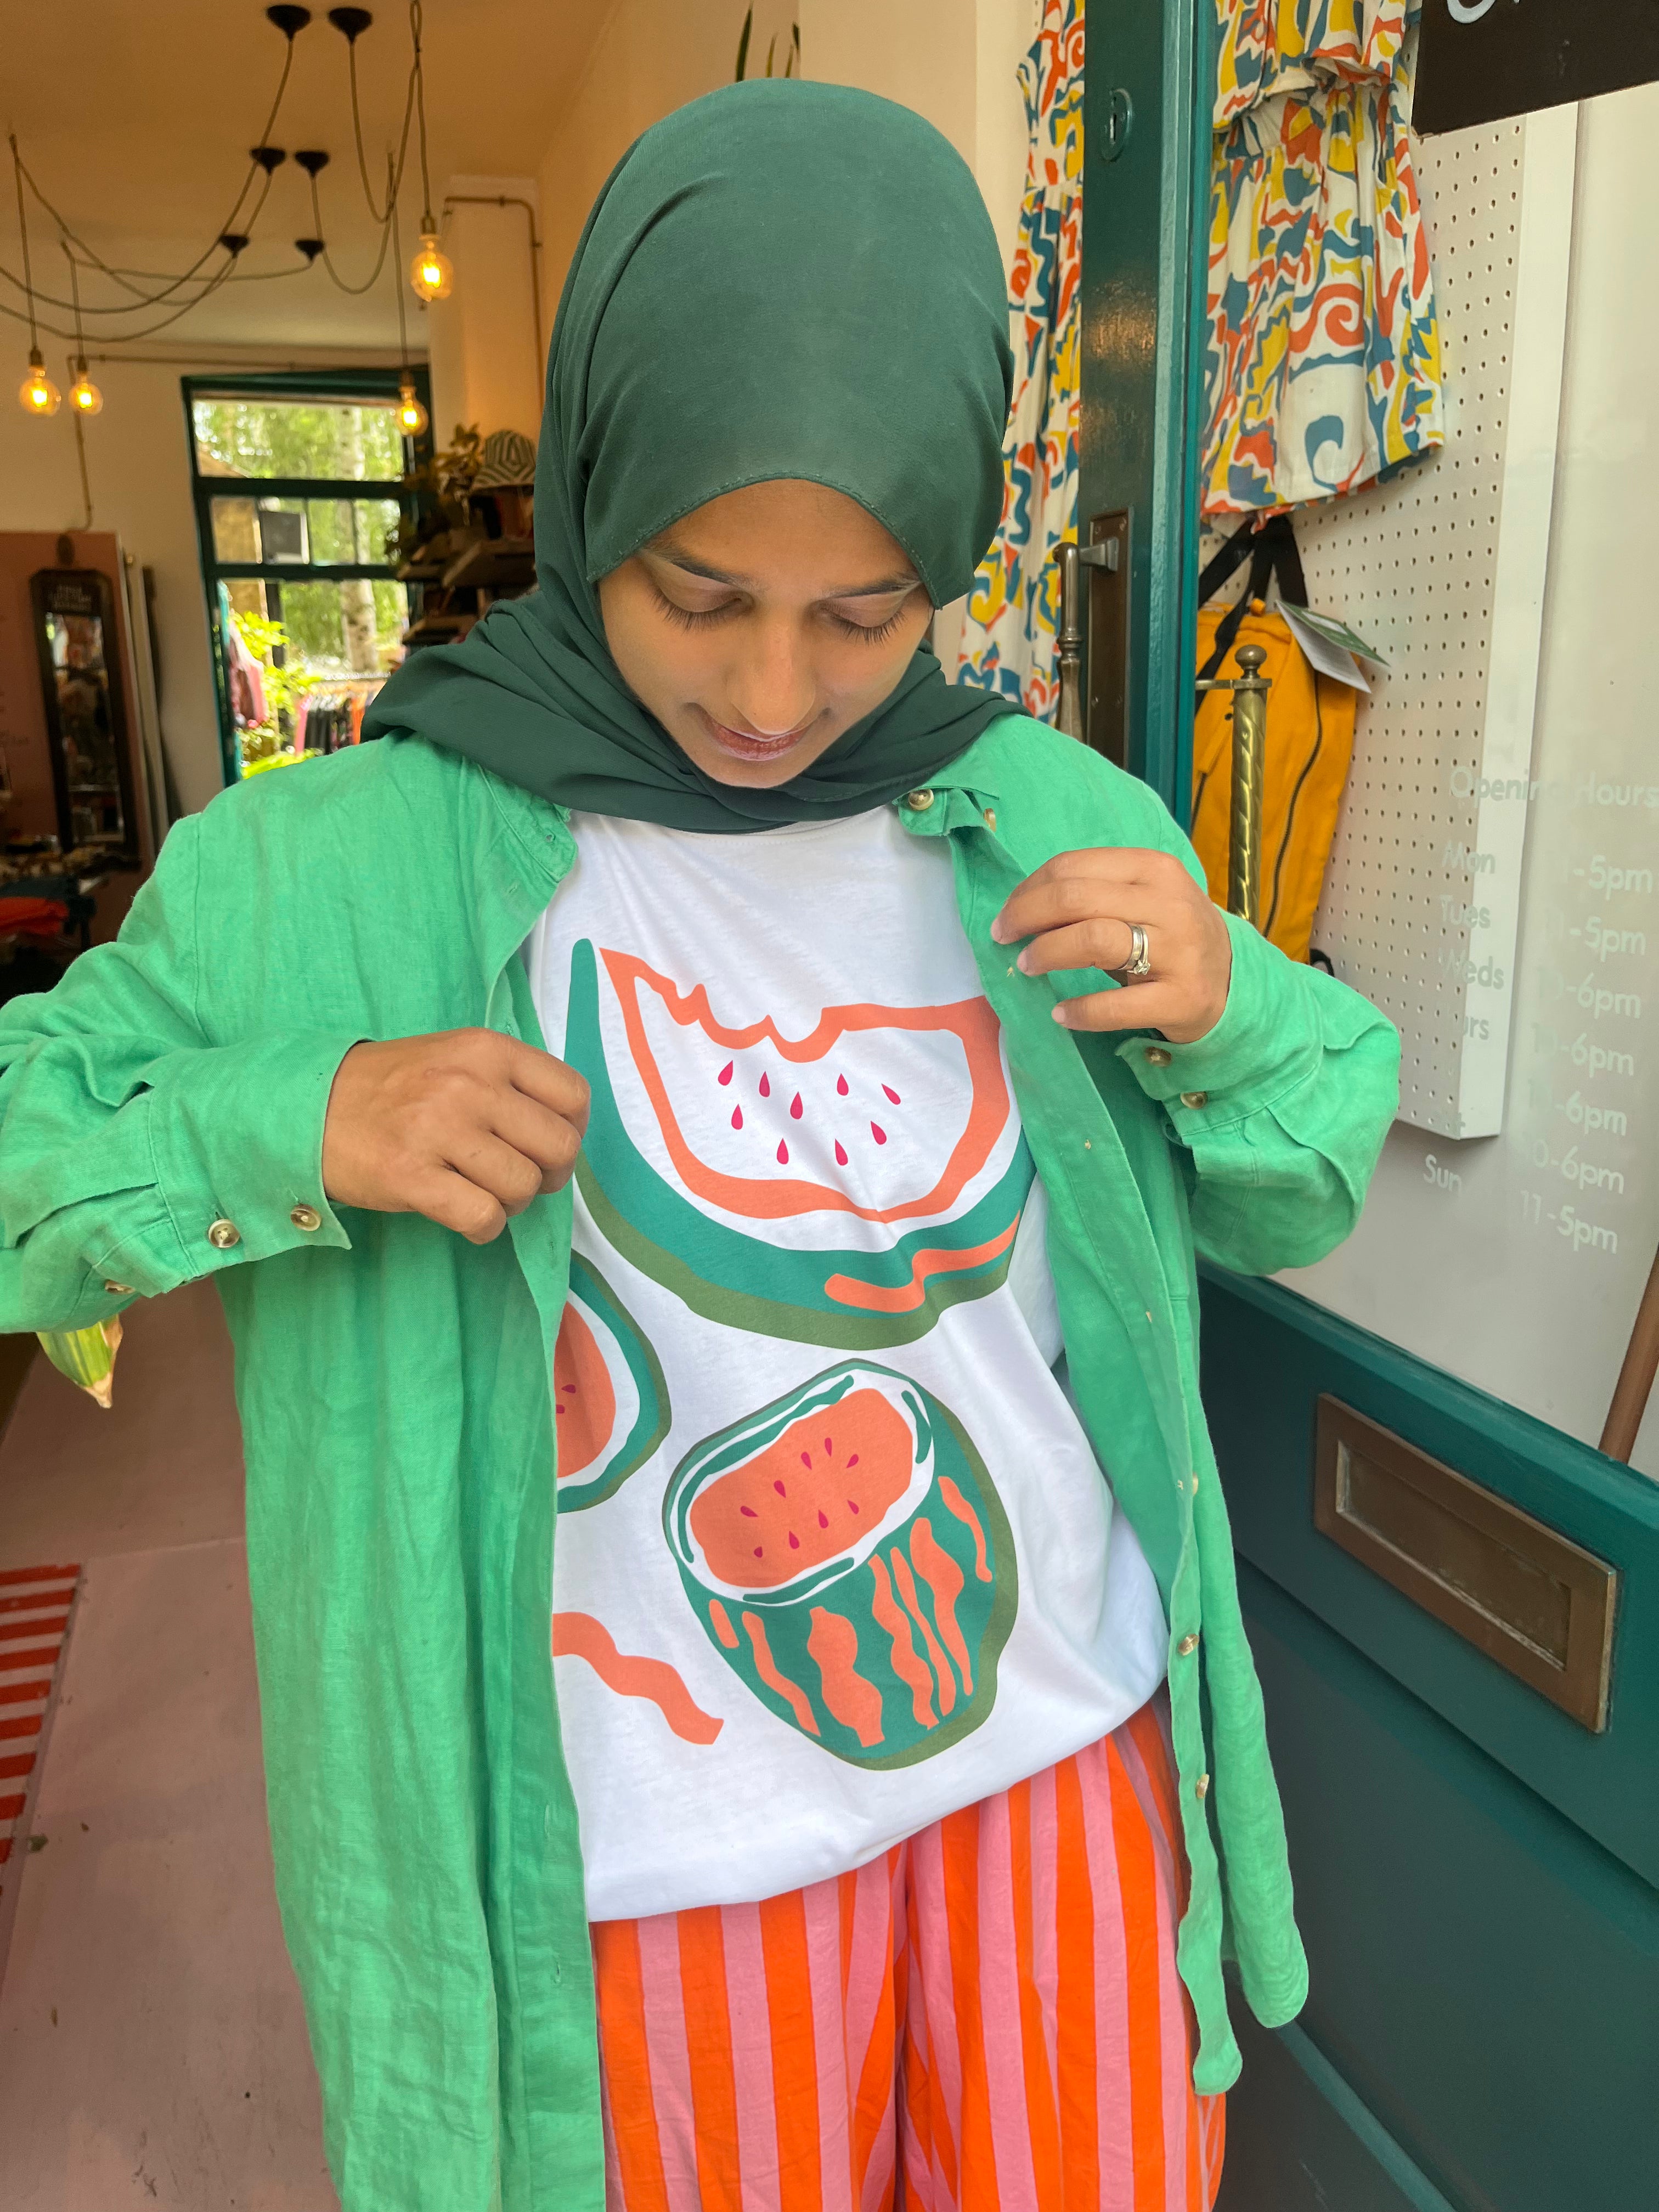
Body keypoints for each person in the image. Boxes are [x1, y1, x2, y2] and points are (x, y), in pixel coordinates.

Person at [0, 81, 1398, 2212]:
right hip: (653, 1853)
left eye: (866, 612)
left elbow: (1308, 1166)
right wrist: (301, 1112)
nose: (770, 691)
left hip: (1071, 1758)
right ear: (590, 485)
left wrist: (1237, 1007)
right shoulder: (332, 871)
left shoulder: (1050, 813)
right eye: (698, 587)